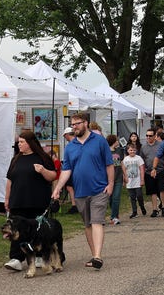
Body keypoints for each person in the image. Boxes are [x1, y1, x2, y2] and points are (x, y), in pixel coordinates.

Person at [51, 112, 114, 270]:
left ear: (86, 123)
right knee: (87, 224)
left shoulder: (99, 141)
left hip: (99, 189)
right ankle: (94, 256)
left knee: (96, 221)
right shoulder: (71, 147)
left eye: (77, 123)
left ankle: (98, 255)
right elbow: (66, 170)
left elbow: (109, 164)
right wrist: (58, 188)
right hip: (80, 191)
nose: (74, 127)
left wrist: (111, 183)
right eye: (72, 124)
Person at [3, 130, 57, 271]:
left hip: (37, 200)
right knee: (16, 228)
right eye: (18, 142)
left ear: (30, 143)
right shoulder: (15, 159)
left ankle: (39, 256)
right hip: (18, 200)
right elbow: (9, 180)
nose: (19, 144)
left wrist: (43, 170)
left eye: (22, 142)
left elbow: (53, 176)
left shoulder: (43, 158)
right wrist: (7, 198)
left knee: (38, 229)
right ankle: (16, 258)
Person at [140, 127, 164, 217]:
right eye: (147, 136)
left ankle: (163, 207)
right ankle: (154, 209)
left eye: (150, 136)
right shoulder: (143, 147)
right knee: (153, 191)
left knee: (162, 189)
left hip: (160, 170)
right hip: (149, 171)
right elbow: (142, 160)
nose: (148, 137)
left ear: (155, 136)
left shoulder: (161, 144)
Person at [122, 143, 146, 218]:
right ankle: (134, 211)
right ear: (128, 151)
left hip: (137, 181)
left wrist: (142, 180)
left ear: (136, 150)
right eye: (130, 150)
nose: (132, 151)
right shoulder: (125, 159)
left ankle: (142, 206)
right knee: (132, 197)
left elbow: (142, 169)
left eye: (134, 150)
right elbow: (124, 170)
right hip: (129, 181)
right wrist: (124, 180)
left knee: (139, 195)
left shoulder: (138, 158)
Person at [107, 134, 124, 225]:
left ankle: (114, 217)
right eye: (117, 140)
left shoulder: (119, 151)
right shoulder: (106, 152)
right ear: (114, 141)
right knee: (110, 198)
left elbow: (121, 163)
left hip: (118, 178)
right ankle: (115, 213)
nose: (118, 141)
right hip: (109, 179)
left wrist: (125, 175)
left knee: (116, 197)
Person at [62, 127, 79, 214]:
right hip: (77, 168)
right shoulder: (78, 142)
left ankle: (74, 204)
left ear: (68, 135)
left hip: (72, 169)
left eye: (65, 136)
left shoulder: (70, 145)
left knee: (70, 186)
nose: (65, 138)